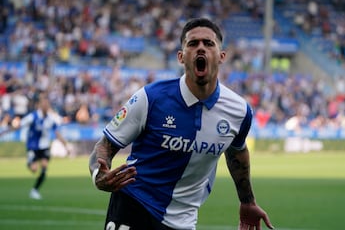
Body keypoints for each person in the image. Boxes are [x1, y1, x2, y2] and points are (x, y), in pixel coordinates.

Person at [89, 18, 274, 230]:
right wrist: (98, 174)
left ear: (222, 56)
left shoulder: (239, 111)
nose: (201, 48)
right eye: (193, 44)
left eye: (209, 43)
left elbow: (236, 153)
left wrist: (247, 201)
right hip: (134, 206)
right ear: (181, 56)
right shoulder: (150, 98)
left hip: (184, 221)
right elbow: (105, 145)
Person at [0, 91, 68, 200]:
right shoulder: (33, 116)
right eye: (44, 104)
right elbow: (19, 125)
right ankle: (30, 162)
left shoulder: (51, 119)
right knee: (34, 169)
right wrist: (5, 132)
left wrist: (65, 144)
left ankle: (35, 190)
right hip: (32, 146)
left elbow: (57, 133)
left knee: (44, 167)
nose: (46, 106)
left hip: (44, 146)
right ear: (40, 105)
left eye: (47, 104)